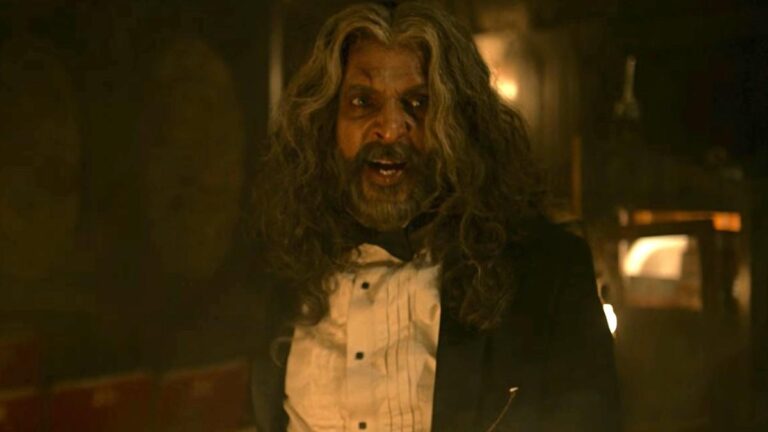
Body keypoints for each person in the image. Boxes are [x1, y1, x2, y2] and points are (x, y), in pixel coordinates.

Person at [250, 2, 620, 431]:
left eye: (418, 102)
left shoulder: (547, 275)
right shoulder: (279, 268)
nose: (390, 128)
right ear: (326, 122)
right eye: (363, 101)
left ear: (461, 124)